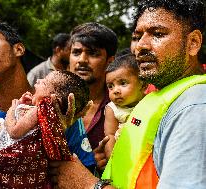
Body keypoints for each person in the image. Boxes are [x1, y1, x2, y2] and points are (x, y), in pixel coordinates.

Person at [49, 0, 206, 188]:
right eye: (138, 36)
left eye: (158, 34)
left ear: (193, 43)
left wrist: (87, 184)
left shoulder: (195, 107)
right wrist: (113, 161)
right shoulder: (163, 96)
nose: (141, 46)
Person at [68, 22, 118, 151]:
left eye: (93, 53)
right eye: (76, 52)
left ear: (110, 61)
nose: (82, 60)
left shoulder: (122, 106)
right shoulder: (50, 100)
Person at [103, 54, 146, 160]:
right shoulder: (113, 109)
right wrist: (113, 162)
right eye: (110, 86)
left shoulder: (150, 102)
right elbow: (110, 135)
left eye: (123, 83)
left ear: (143, 84)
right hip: (124, 155)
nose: (116, 90)